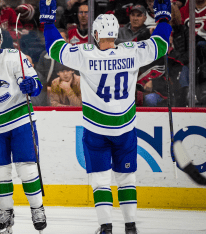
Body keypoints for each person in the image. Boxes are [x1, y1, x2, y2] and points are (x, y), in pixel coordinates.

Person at [40, 0, 172, 233]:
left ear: (97, 33)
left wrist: (48, 22)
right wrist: (163, 18)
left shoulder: (86, 55)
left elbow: (54, 48)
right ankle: (130, 227)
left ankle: (106, 227)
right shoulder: (132, 52)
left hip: (97, 130)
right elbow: (160, 44)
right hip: (125, 128)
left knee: (101, 180)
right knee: (126, 178)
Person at [0, 22, 47, 234]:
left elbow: (34, 82)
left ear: (0, 39)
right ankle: (6, 212)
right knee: (0, 172)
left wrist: (31, 86)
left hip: (20, 119)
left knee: (27, 168)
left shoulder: (14, 56)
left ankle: (37, 208)